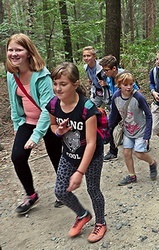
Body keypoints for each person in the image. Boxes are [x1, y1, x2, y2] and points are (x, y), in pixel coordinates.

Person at [47, 62, 107, 243]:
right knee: (60, 191)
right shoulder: (53, 104)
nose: (58, 88)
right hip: (68, 155)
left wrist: (80, 173)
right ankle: (82, 215)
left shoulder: (87, 107)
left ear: (74, 84)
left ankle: (101, 222)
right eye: (55, 83)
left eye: (63, 84)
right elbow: (52, 125)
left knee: (93, 189)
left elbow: (91, 142)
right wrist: (59, 131)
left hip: (91, 156)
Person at [6, 33, 63, 214]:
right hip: (28, 121)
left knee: (56, 156)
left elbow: (48, 108)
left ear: (28, 52)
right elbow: (14, 104)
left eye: (18, 50)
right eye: (10, 50)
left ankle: (63, 190)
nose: (14, 54)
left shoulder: (42, 75)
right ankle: (31, 194)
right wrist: (18, 126)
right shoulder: (11, 75)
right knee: (18, 157)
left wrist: (36, 135)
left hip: (49, 121)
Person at [108, 71, 157, 185]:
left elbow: (149, 115)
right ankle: (132, 176)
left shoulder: (138, 97)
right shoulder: (116, 97)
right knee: (126, 153)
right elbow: (114, 115)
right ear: (119, 85)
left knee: (139, 153)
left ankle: (152, 163)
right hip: (127, 130)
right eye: (125, 84)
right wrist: (107, 129)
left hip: (140, 130)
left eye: (131, 84)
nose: (129, 87)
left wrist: (147, 135)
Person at [100, 55, 139, 162]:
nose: (105, 72)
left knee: (135, 125)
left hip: (129, 106)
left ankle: (143, 142)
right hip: (116, 107)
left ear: (114, 69)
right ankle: (113, 151)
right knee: (110, 125)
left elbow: (137, 91)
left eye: (106, 70)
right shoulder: (109, 78)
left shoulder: (125, 76)